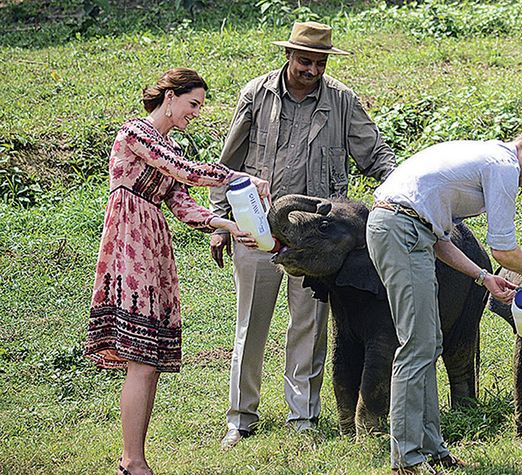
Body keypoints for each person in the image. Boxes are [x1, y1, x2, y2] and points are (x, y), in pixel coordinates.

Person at [209, 21, 396, 449]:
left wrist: (404, 191)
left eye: (319, 62)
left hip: (321, 240)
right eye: (305, 61)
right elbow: (228, 161)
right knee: (250, 325)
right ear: (288, 56)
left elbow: (375, 155)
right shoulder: (256, 94)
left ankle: (303, 416)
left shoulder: (343, 100)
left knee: (309, 328)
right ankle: (240, 417)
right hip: (256, 228)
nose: (312, 69)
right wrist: (220, 221)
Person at [84, 68, 270, 475]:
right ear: (170, 97)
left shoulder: (167, 145)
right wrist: (238, 176)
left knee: (148, 359)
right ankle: (133, 461)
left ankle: (133, 460)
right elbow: (185, 173)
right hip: (130, 240)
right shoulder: (135, 133)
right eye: (193, 104)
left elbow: (183, 203)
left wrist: (229, 226)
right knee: (140, 358)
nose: (195, 113)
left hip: (152, 242)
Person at [366, 128, 522, 474]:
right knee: (416, 346)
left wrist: (483, 277)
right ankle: (405, 460)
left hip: (408, 230)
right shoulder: (503, 165)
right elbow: (502, 248)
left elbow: (441, 239)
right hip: (400, 229)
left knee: (429, 343)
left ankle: (432, 448)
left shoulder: (482, 158)